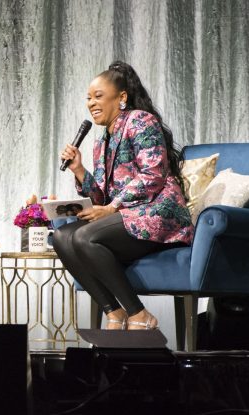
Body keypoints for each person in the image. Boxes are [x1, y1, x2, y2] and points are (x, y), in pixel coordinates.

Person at [54, 61, 193, 330]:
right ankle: (114, 312)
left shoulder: (141, 121)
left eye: (98, 96)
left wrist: (112, 208)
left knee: (84, 236)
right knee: (62, 237)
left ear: (122, 98)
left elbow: (153, 174)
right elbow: (101, 197)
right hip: (124, 215)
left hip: (158, 213)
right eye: (88, 98)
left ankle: (139, 314)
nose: (91, 103)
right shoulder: (101, 141)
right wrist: (80, 170)